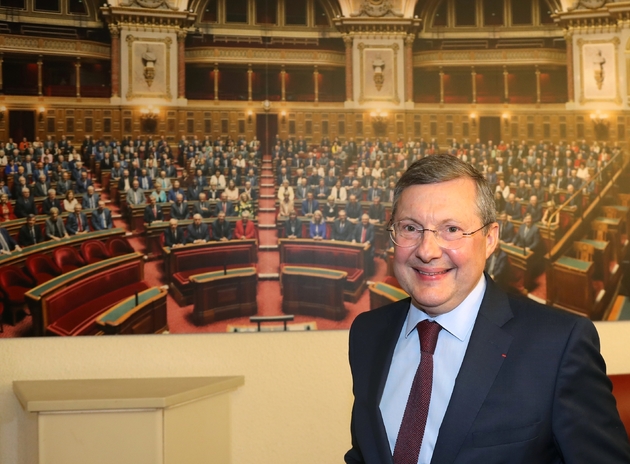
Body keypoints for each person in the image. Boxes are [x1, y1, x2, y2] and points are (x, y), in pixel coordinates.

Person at [345, 155, 630, 464]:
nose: (426, 251)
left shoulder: (559, 345)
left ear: (490, 238)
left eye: (451, 229)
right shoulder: (368, 332)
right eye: (410, 228)